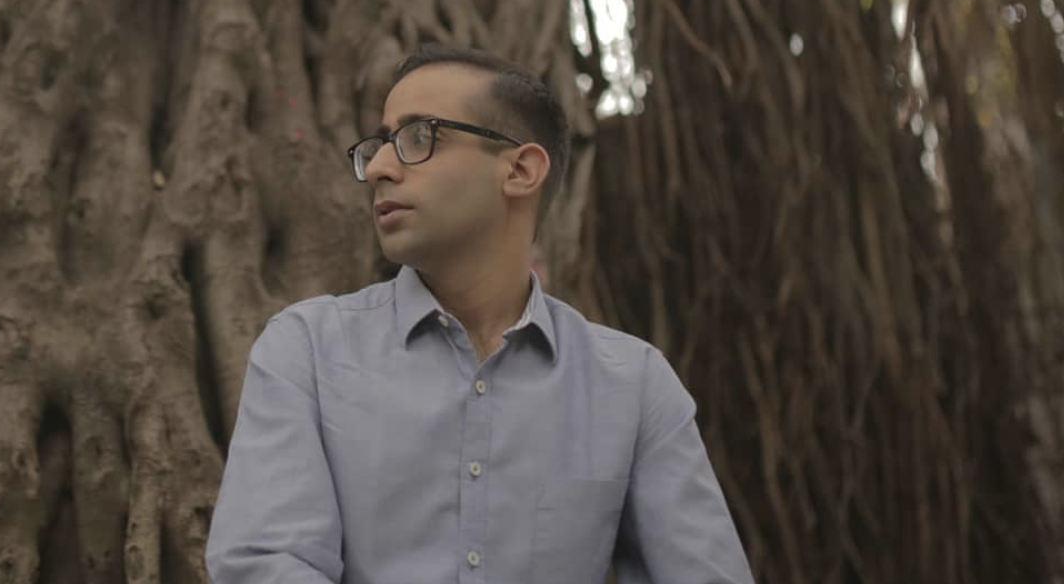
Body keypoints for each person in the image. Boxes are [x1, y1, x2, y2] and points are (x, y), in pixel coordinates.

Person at [206, 44, 756, 584]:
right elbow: (264, 565)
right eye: (380, 144)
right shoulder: (307, 350)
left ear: (521, 170)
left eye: (419, 137)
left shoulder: (633, 384)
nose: (378, 168)